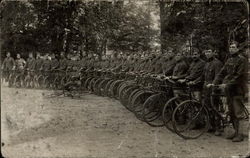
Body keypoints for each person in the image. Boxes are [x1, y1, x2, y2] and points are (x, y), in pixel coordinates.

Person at [210, 41, 248, 142]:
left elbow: (239, 76)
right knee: (231, 112)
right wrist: (214, 83)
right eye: (230, 47)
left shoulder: (242, 60)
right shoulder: (229, 59)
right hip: (229, 91)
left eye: (233, 47)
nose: (231, 49)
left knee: (238, 113)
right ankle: (236, 132)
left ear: (238, 49)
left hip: (238, 90)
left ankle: (240, 135)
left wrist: (227, 84)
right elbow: (222, 73)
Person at [202, 47, 223, 136]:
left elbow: (218, 77)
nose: (207, 53)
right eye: (206, 51)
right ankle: (211, 126)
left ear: (213, 53)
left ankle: (218, 128)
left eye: (209, 52)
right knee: (208, 107)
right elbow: (203, 76)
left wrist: (213, 87)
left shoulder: (217, 63)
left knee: (215, 108)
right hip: (206, 88)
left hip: (213, 88)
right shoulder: (207, 63)